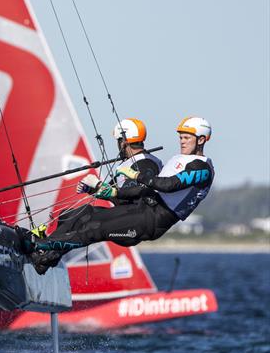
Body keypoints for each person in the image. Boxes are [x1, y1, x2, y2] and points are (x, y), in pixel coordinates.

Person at [28, 116, 215, 274]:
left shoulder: (202, 168)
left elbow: (168, 185)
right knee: (86, 213)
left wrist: (135, 175)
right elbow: (148, 190)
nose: (182, 141)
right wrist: (110, 191)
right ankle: (43, 257)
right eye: (181, 137)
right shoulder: (179, 159)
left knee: (94, 229)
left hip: (153, 221)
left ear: (201, 140)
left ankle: (40, 245)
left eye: (187, 138)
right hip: (143, 210)